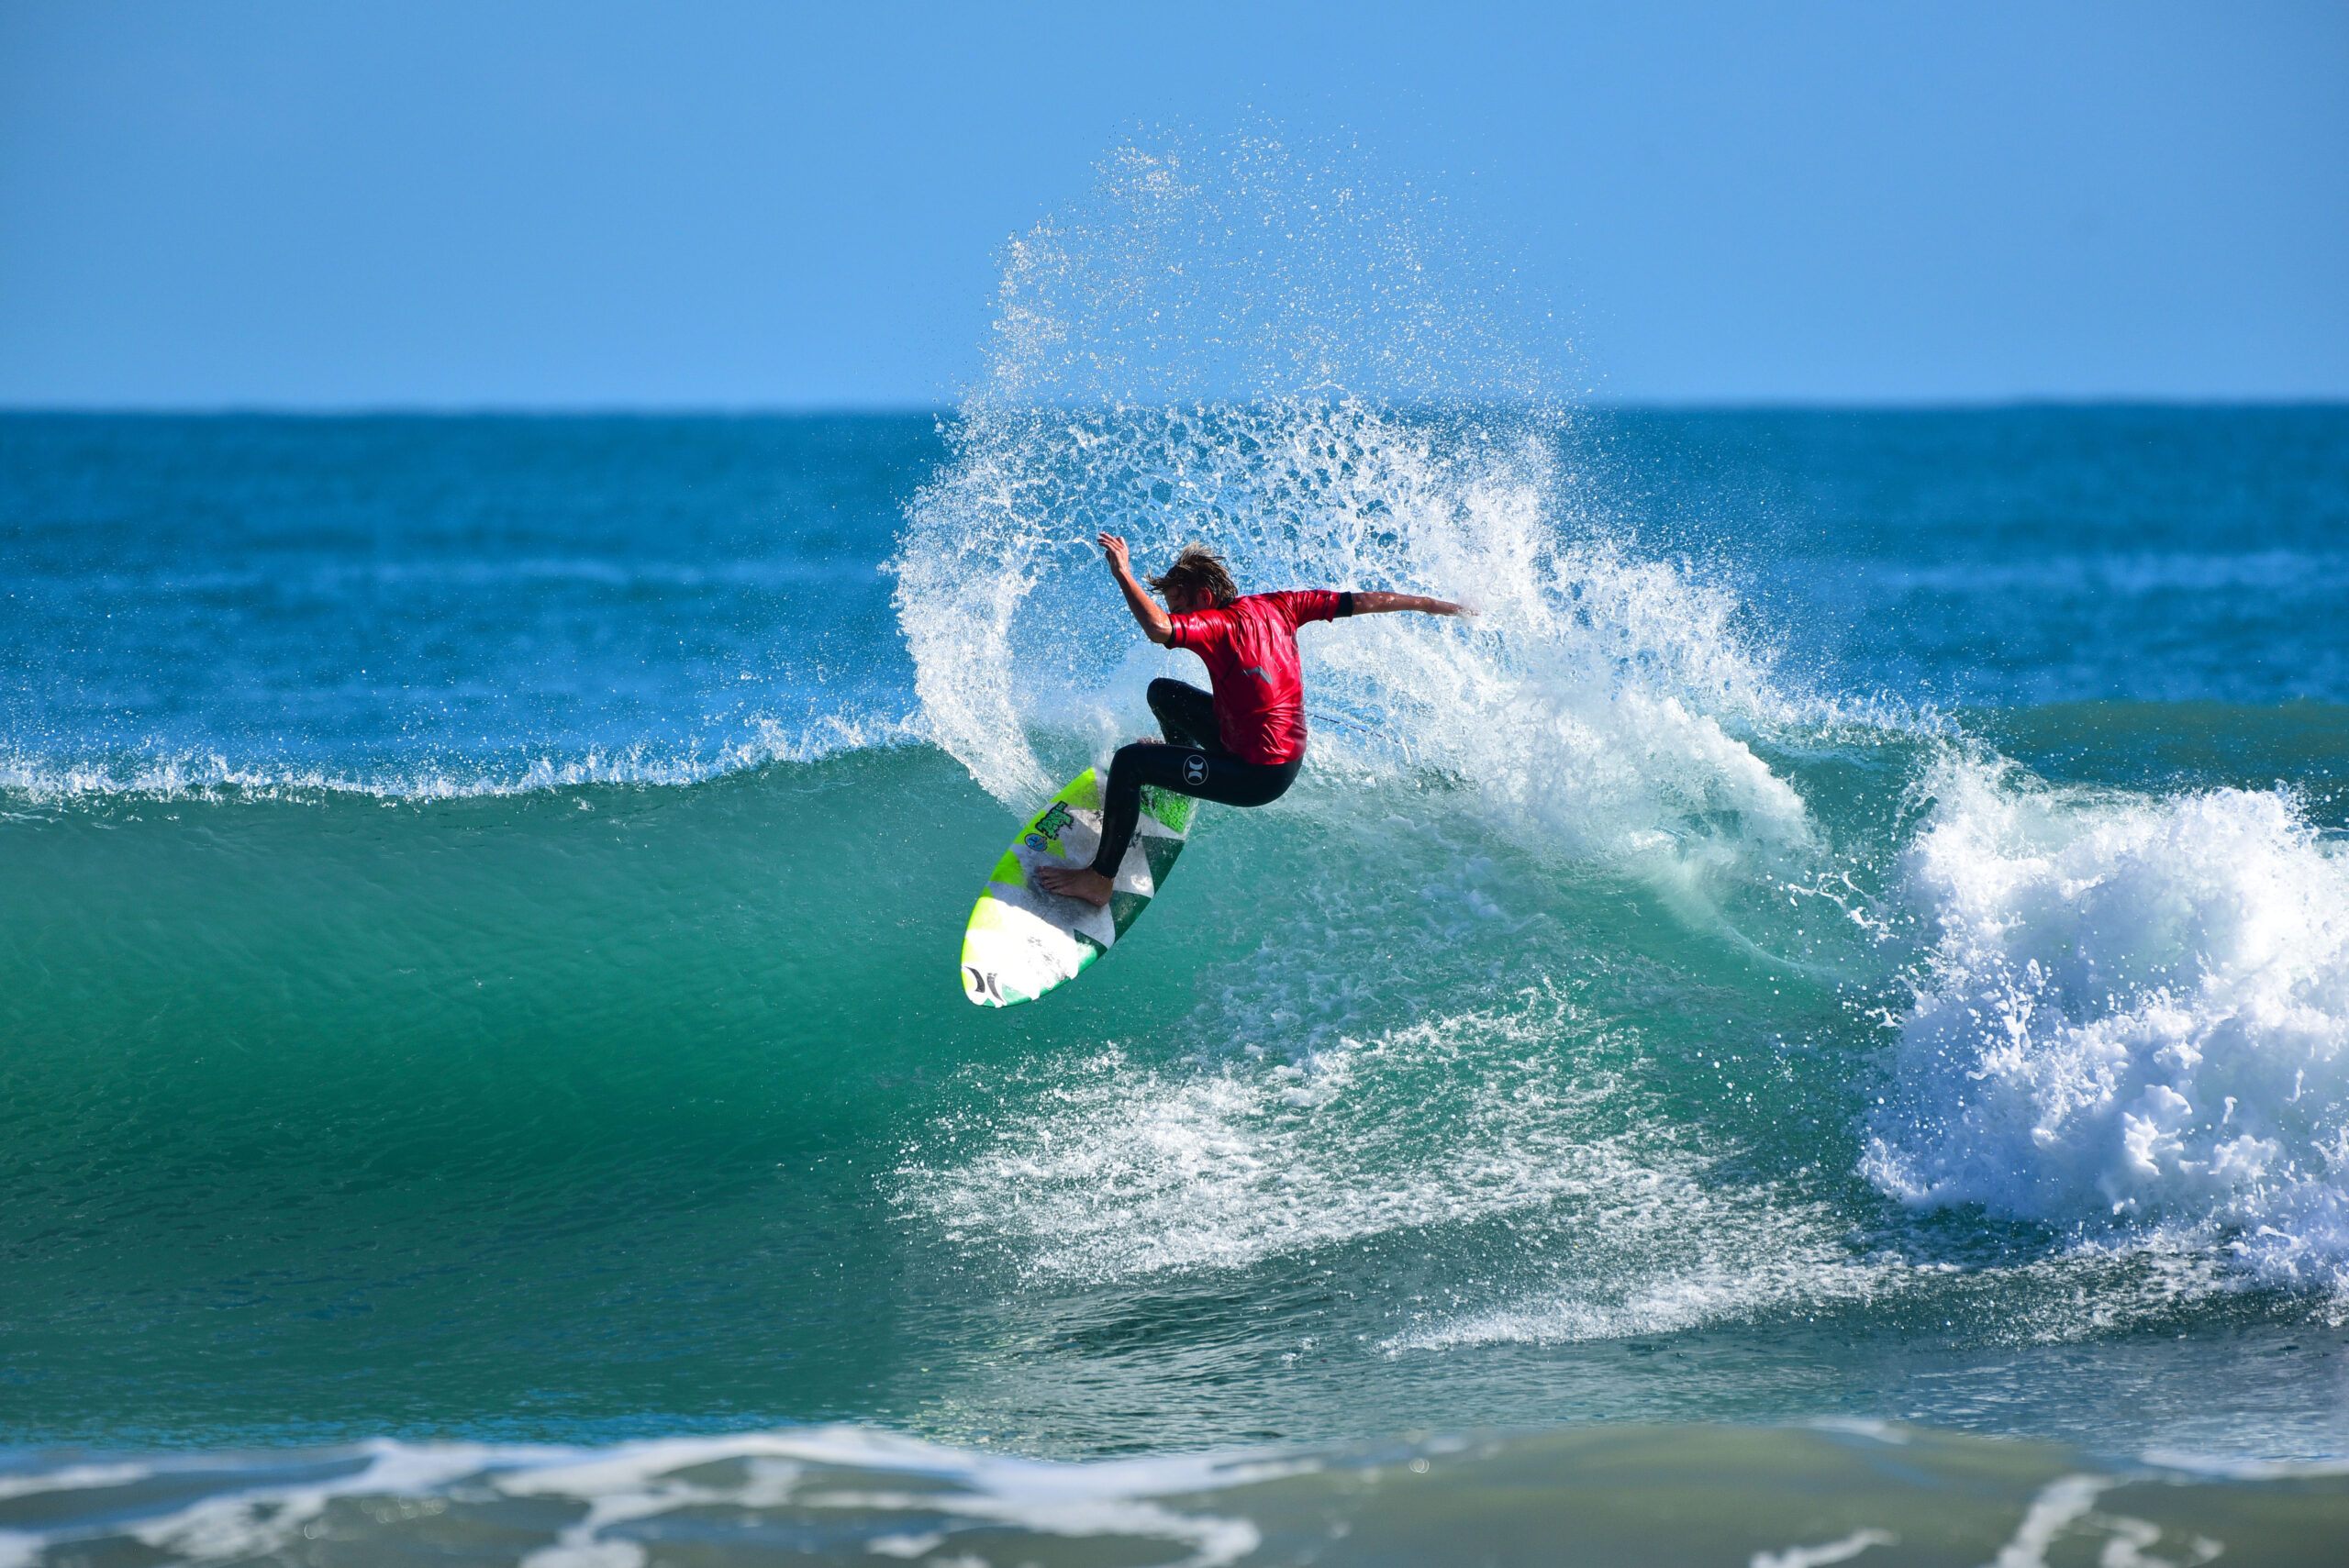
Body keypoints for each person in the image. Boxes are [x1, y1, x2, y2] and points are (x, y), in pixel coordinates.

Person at [1034, 533, 1472, 906]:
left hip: (1257, 774)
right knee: (1162, 693)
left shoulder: (1217, 624)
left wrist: (1122, 573)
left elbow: (1159, 629)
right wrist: (1433, 604)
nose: (1182, 618)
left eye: (1181, 606)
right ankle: (1179, 771)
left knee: (1130, 762)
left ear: (1204, 597)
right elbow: (1366, 601)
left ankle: (1099, 879)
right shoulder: (1281, 604)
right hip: (1253, 742)